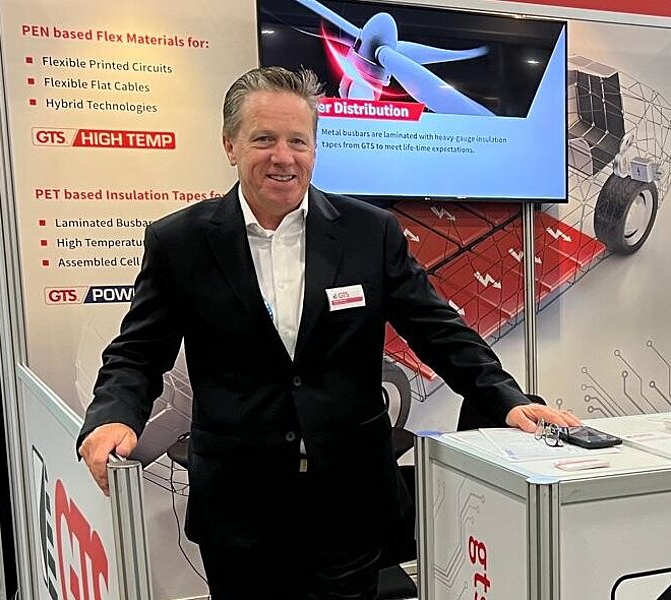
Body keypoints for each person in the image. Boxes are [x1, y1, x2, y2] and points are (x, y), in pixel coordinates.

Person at [78, 66, 580, 599]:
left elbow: (436, 329)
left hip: (349, 501)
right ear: (230, 145)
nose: (283, 157)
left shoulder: (369, 232)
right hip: (239, 508)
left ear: (315, 148)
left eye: (298, 141)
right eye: (264, 139)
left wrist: (504, 398)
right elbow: (138, 352)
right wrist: (112, 415)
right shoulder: (180, 242)